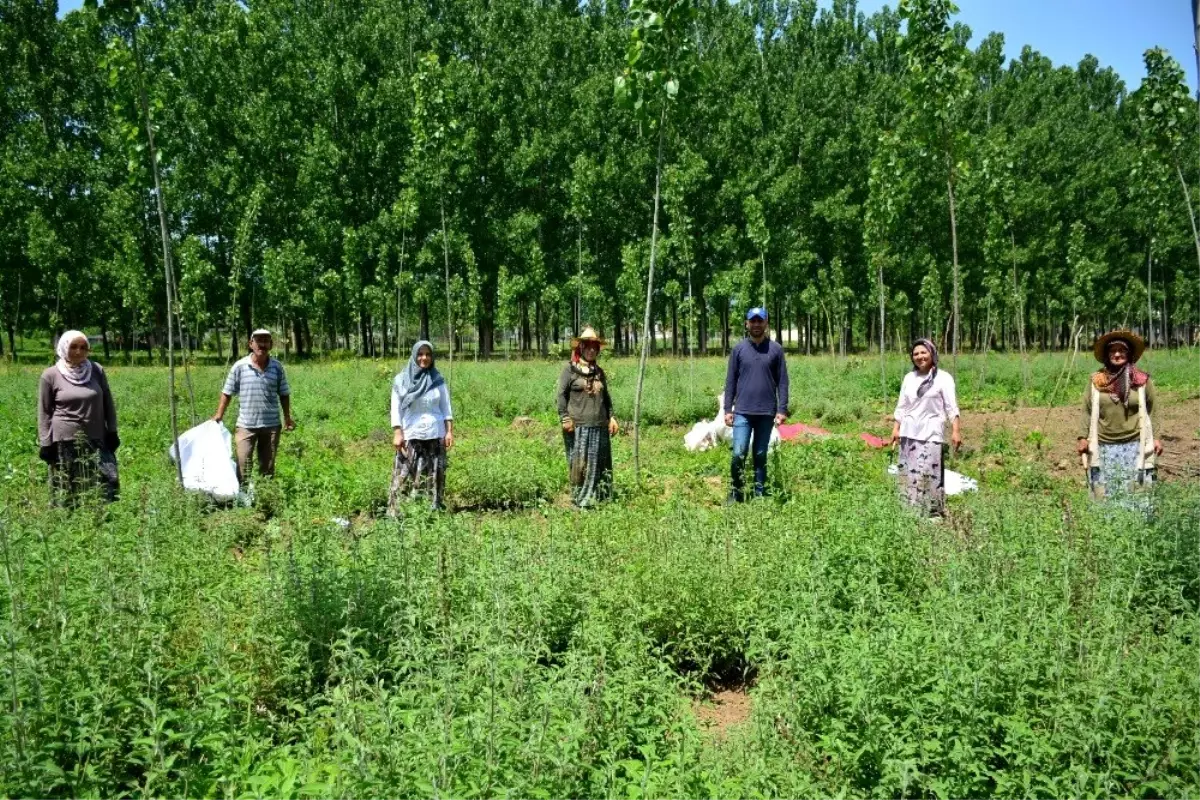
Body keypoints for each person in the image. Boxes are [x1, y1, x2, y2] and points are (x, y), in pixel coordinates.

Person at [1076, 330, 1161, 506]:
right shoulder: (1096, 381)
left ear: (1128, 354)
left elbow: (1153, 408)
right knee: (1106, 493)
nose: (1117, 354)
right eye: (1112, 351)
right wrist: (1082, 437)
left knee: (1137, 491)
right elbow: (1086, 409)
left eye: (1121, 350)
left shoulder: (1142, 381)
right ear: (1107, 355)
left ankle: (1137, 528)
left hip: (1135, 444)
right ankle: (1108, 528)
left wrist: (1157, 438)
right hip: (1104, 445)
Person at [37, 330, 120, 505]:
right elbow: (44, 413)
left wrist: (112, 431)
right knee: (67, 487)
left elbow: (108, 403)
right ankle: (66, 522)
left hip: (97, 437)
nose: (78, 351)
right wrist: (46, 443)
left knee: (106, 482)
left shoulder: (96, 370)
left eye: (84, 347)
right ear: (63, 348)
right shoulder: (50, 375)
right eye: (73, 347)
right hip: (65, 440)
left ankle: (102, 519)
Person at [889, 338, 962, 517]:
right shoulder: (909, 378)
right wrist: (896, 428)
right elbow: (902, 405)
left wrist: (955, 431)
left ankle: (933, 513)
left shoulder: (943, 378)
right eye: (916, 354)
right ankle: (909, 512)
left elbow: (952, 407)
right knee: (908, 474)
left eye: (923, 352)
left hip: (932, 434)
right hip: (908, 433)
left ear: (932, 353)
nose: (920, 357)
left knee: (930, 474)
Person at [723, 307, 789, 502]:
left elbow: (783, 381)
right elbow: (730, 381)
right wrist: (728, 409)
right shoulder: (739, 349)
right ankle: (737, 492)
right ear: (747, 324)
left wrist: (782, 408)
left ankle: (760, 493)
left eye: (760, 321)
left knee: (760, 454)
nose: (757, 324)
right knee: (738, 453)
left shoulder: (775, 349)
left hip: (766, 412)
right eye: (753, 321)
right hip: (742, 411)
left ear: (766, 323)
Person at [213, 329, 295, 485]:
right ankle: (242, 498)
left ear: (271, 344)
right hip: (246, 425)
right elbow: (227, 392)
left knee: (268, 468)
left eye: (266, 341)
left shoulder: (277, 367)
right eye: (258, 341)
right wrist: (219, 415)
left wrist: (287, 418)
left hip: (271, 426)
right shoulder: (240, 367)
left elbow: (284, 394)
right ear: (251, 344)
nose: (262, 344)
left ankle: (265, 498)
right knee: (243, 465)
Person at [390, 340, 454, 513]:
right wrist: (398, 432)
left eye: (427, 354)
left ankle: (434, 507)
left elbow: (445, 407)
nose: (424, 358)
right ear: (414, 355)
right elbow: (396, 408)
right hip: (412, 432)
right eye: (420, 354)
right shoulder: (401, 380)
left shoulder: (437, 380)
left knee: (436, 472)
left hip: (435, 432)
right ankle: (397, 509)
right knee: (405, 471)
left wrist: (449, 431)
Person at [557, 326, 618, 507]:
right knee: (580, 465)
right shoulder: (569, 370)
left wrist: (612, 417)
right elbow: (561, 396)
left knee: (600, 463)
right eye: (588, 346)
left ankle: (601, 499)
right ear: (581, 348)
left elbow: (606, 397)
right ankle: (581, 501)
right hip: (578, 426)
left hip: (600, 426)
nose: (592, 350)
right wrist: (565, 418)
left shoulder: (599, 372)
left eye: (595, 347)